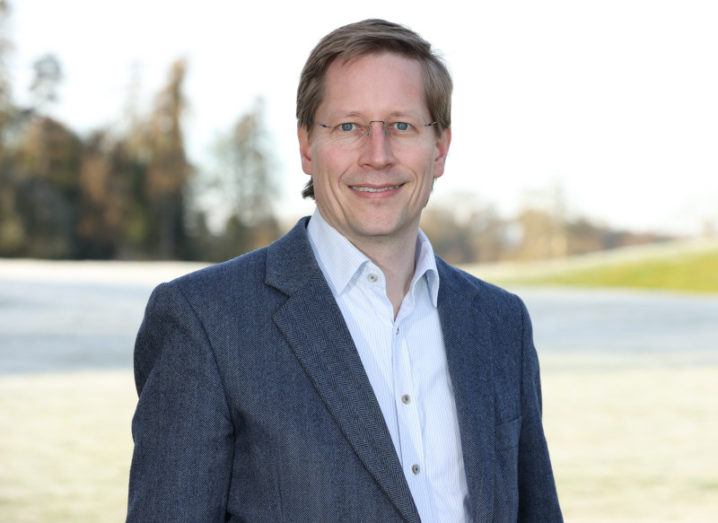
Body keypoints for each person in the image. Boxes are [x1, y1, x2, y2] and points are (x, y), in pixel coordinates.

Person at [127, 18, 562, 523]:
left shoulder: (500, 322)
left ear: (439, 147)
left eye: (401, 125)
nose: (377, 155)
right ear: (307, 146)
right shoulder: (205, 320)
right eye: (349, 127)